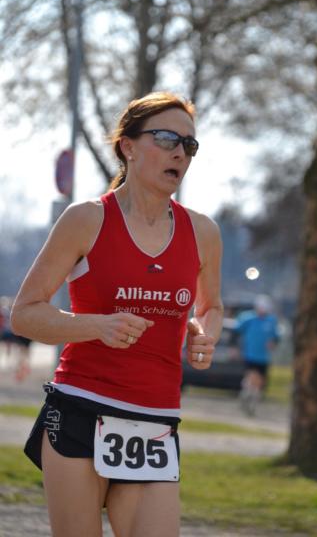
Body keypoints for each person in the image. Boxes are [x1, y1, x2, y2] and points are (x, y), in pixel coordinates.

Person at [10, 91, 223, 537]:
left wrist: (204, 334)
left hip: (155, 420)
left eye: (189, 145)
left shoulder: (202, 231)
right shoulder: (86, 219)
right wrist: (95, 326)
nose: (180, 153)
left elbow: (211, 306)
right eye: (166, 139)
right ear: (128, 146)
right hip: (80, 408)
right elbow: (25, 314)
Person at [235, 294, 280, 416]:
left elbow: (276, 337)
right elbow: (236, 331)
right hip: (250, 354)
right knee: (252, 376)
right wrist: (236, 348)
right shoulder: (248, 318)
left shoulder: (271, 320)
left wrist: (273, 343)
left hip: (264, 356)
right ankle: (246, 395)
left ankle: (252, 400)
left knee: (260, 381)